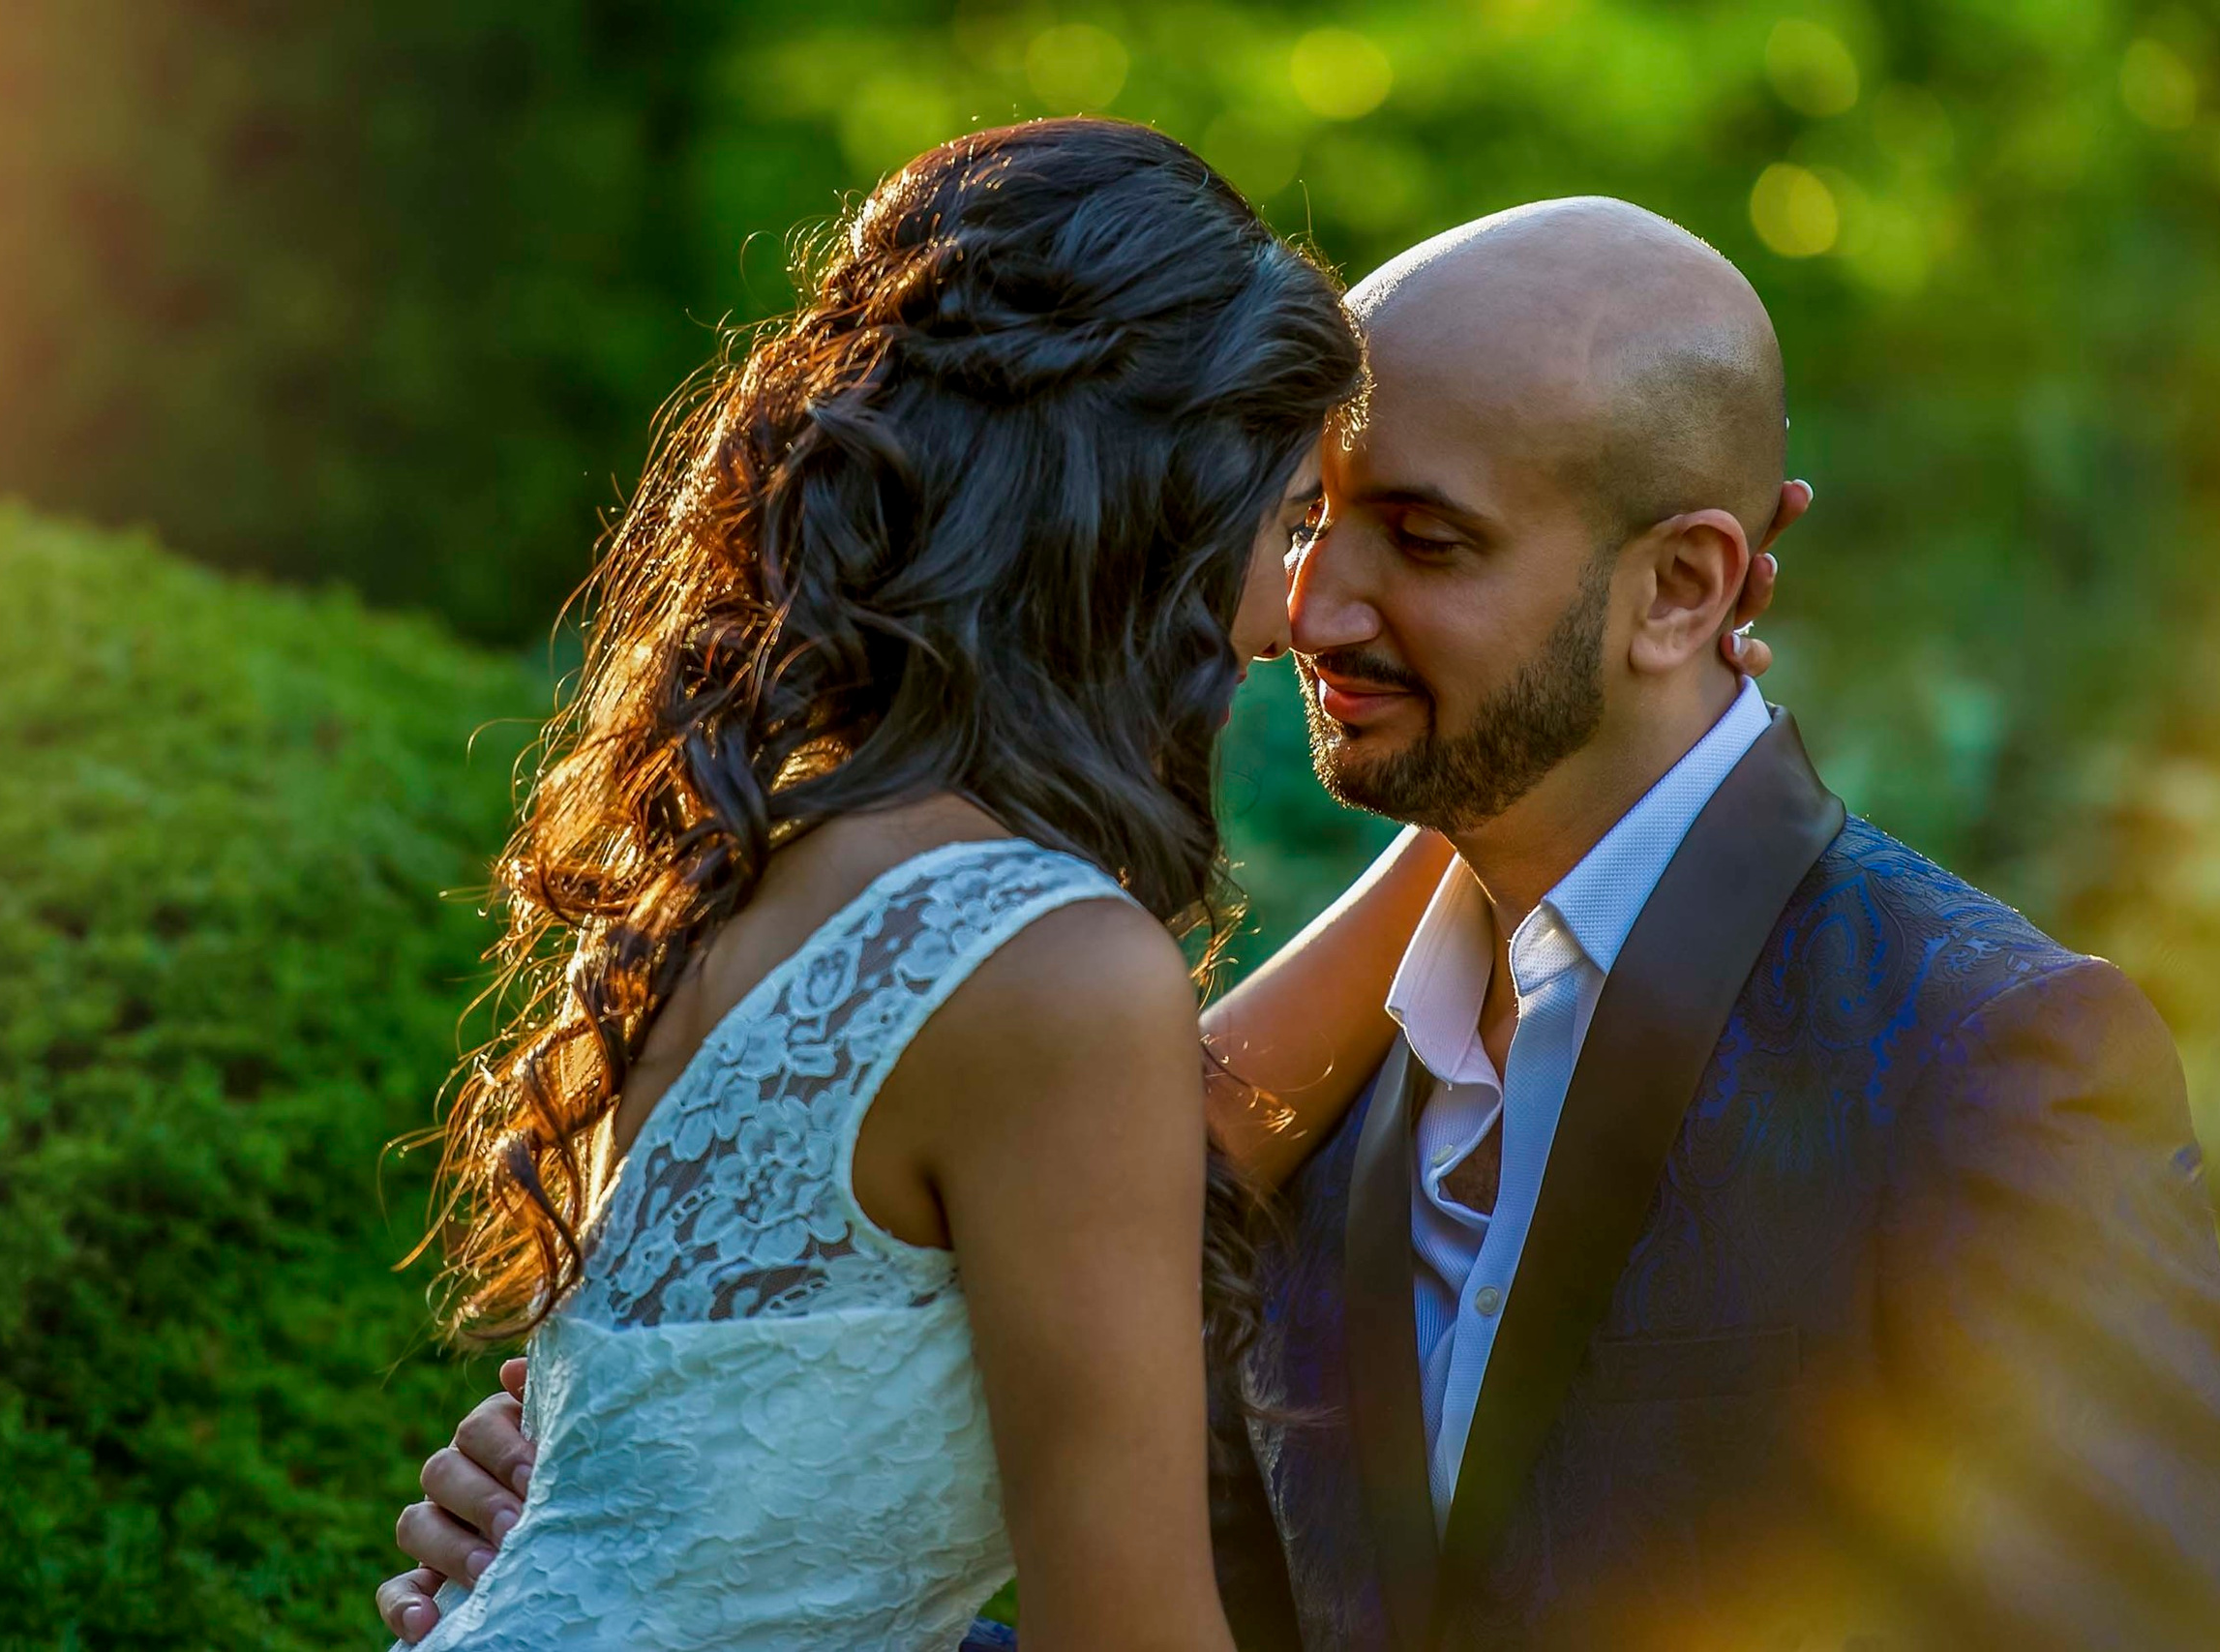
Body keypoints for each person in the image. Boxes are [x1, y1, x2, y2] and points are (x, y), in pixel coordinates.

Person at [383, 192, 2220, 1651]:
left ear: (1685, 588)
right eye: (1312, 518)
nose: (1310, 611)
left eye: (1426, 540)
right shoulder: (1246, 1078)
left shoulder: (1978, 1056)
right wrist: (681, 1552)